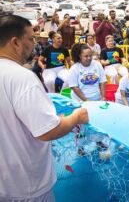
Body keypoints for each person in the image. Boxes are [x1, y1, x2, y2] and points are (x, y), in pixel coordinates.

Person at [0, 14, 88, 202]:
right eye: (31, 38)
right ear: (15, 42)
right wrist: (75, 117)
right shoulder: (21, 78)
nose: (34, 43)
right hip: (26, 186)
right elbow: (47, 130)